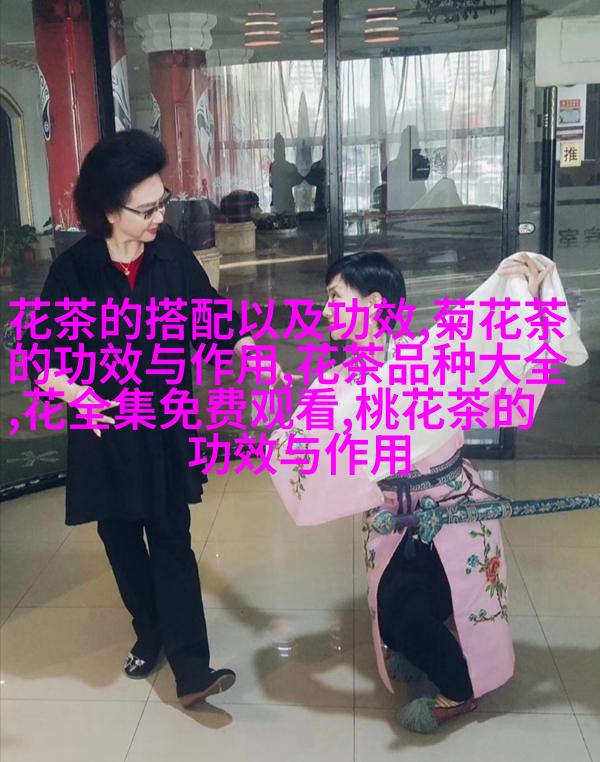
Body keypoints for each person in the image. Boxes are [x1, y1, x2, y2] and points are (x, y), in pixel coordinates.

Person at [24, 129, 286, 709]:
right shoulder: (74, 272)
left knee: (170, 537)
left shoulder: (171, 257)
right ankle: (150, 632)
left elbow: (213, 318)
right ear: (108, 211)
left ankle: (192, 669)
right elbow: (38, 353)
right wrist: (74, 391)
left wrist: (251, 350)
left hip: (164, 424)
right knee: (120, 537)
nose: (159, 216)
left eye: (162, 202)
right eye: (146, 209)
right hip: (103, 433)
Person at [271, 250, 585, 733]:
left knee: (431, 605)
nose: (327, 310)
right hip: (392, 520)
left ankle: (460, 689)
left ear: (373, 302)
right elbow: (300, 447)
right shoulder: (336, 381)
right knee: (393, 614)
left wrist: (528, 293)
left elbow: (500, 343)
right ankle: (424, 642)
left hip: (454, 511)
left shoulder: (428, 358)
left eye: (335, 297)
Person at [269, 132, 304, 214]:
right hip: (282, 204)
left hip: (282, 204)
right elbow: (298, 180)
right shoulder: (286, 167)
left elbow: (271, 184)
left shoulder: (277, 166)